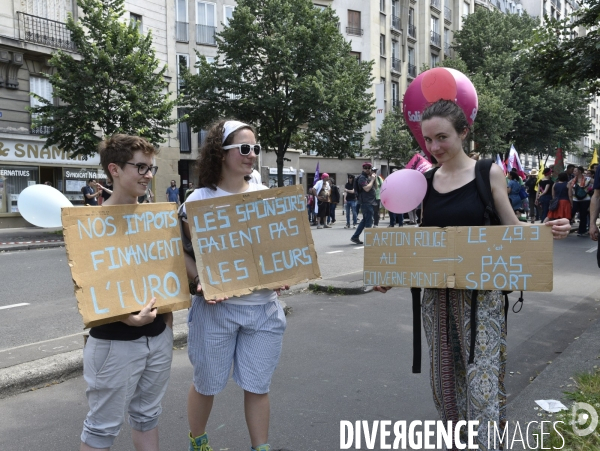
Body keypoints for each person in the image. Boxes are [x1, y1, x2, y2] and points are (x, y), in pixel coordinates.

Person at [373, 100, 570, 450]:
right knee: (444, 381)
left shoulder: (487, 172)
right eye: (428, 139)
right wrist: (392, 272)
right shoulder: (425, 180)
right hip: (437, 297)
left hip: (482, 300)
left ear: (464, 132)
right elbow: (423, 238)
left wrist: (544, 229)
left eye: (442, 137)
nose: (434, 147)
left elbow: (512, 227)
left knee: (481, 382)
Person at [181, 119, 289, 451]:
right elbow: (182, 255)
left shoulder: (265, 197)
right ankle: (198, 442)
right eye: (244, 148)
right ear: (221, 152)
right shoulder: (196, 201)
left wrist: (283, 273)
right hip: (216, 312)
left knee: (258, 386)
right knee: (207, 384)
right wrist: (201, 281)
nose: (252, 155)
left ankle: (261, 447)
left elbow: (277, 251)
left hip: (263, 311)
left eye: (256, 148)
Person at [80, 134, 173, 451]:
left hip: (157, 340)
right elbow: (89, 293)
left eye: (152, 168)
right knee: (101, 429)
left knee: (148, 417)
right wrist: (128, 319)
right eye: (141, 167)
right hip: (113, 346)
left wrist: (165, 328)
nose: (148, 175)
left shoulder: (157, 219)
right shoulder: (89, 225)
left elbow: (167, 278)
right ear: (115, 170)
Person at [350, 162, 377, 245]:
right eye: (365, 168)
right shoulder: (362, 178)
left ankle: (355, 237)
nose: (367, 169)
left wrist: (373, 179)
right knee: (369, 221)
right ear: (363, 168)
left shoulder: (367, 177)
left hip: (370, 201)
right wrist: (372, 179)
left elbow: (375, 187)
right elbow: (366, 189)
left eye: (369, 167)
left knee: (365, 220)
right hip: (366, 202)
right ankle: (369, 240)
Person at [570, 165, 592, 236]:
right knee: (572, 212)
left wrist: (590, 189)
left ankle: (582, 230)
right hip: (575, 199)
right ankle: (566, 227)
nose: (573, 172)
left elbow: (596, 182)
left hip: (585, 199)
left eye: (575, 171)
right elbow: (567, 185)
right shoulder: (573, 180)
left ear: (579, 171)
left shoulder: (587, 179)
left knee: (583, 215)